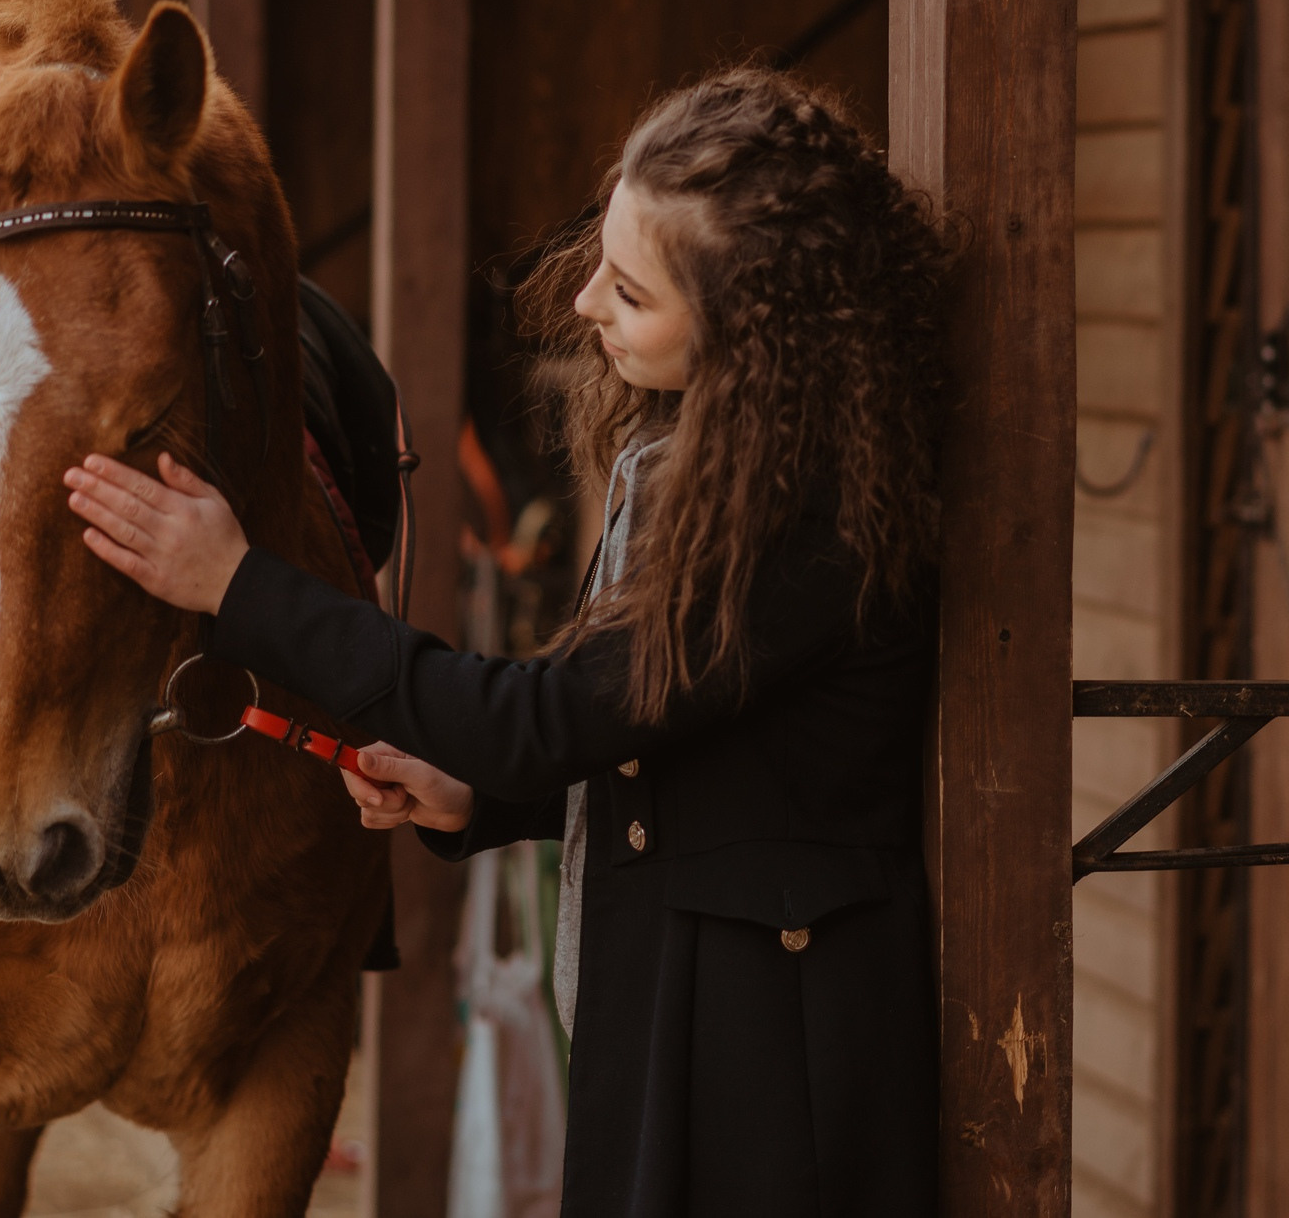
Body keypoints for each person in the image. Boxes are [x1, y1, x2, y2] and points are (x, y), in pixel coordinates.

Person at [63, 67, 951, 1217]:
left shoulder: (804, 517)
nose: (585, 304)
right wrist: (482, 801)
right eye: (601, 257)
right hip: (705, 1011)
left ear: (752, 334)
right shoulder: (717, 461)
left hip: (769, 1072)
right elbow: (683, 739)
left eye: (629, 292)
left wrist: (239, 584)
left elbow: (544, 722)